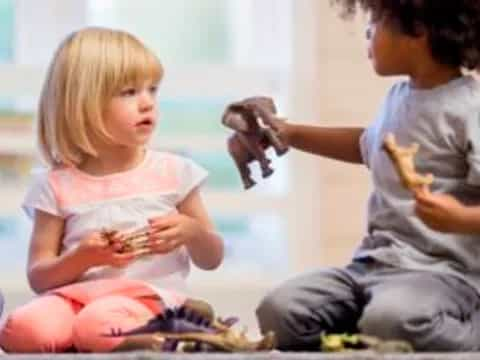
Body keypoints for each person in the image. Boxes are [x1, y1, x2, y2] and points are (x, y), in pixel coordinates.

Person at [255, 0, 480, 351]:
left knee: (393, 320)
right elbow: (365, 145)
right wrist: (292, 133)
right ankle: (373, 335)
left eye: (375, 22)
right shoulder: (398, 97)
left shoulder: (469, 107)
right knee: (280, 311)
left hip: (443, 275)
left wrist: (461, 218)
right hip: (371, 266)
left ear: (418, 31)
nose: (367, 32)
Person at [0, 27, 224, 353]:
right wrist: (82, 258)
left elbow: (212, 257)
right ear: (82, 105)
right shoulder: (56, 184)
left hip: (147, 298)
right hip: (73, 299)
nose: (147, 103)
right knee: (22, 330)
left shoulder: (174, 172)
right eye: (129, 92)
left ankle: (178, 332)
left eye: (152, 89)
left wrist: (191, 232)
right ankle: (103, 338)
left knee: (100, 324)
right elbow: (39, 277)